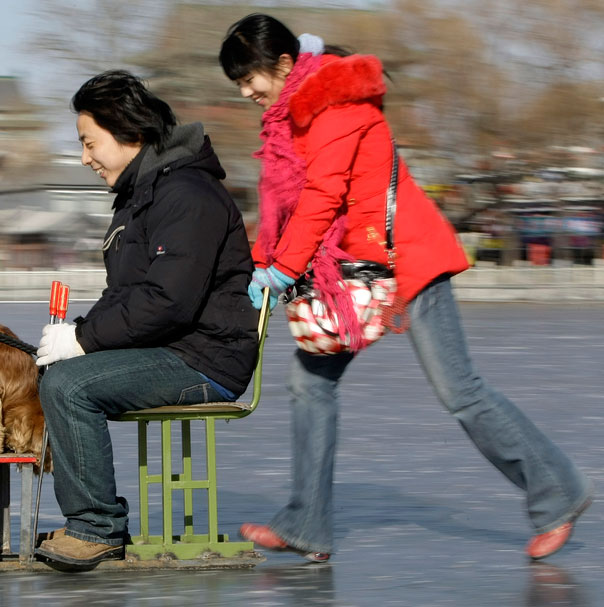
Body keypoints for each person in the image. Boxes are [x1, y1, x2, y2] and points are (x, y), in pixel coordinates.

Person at [218, 13, 592, 563]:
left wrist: (280, 268)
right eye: (238, 83)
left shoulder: (333, 103)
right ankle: (307, 523)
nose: (247, 91)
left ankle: (559, 492)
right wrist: (262, 262)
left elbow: (323, 195)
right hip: (353, 274)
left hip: (406, 261)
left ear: (283, 64)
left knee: (459, 391)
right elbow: (290, 205)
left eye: (251, 77)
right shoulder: (290, 116)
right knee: (309, 384)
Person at [33, 70, 260, 567]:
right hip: (171, 348)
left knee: (70, 387)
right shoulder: (142, 197)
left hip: (205, 359)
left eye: (90, 143)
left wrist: (86, 340)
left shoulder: (187, 195)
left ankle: (96, 527)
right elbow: (127, 296)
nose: (84, 157)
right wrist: (74, 334)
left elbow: (168, 301)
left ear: (130, 133)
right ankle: (88, 519)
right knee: (55, 374)